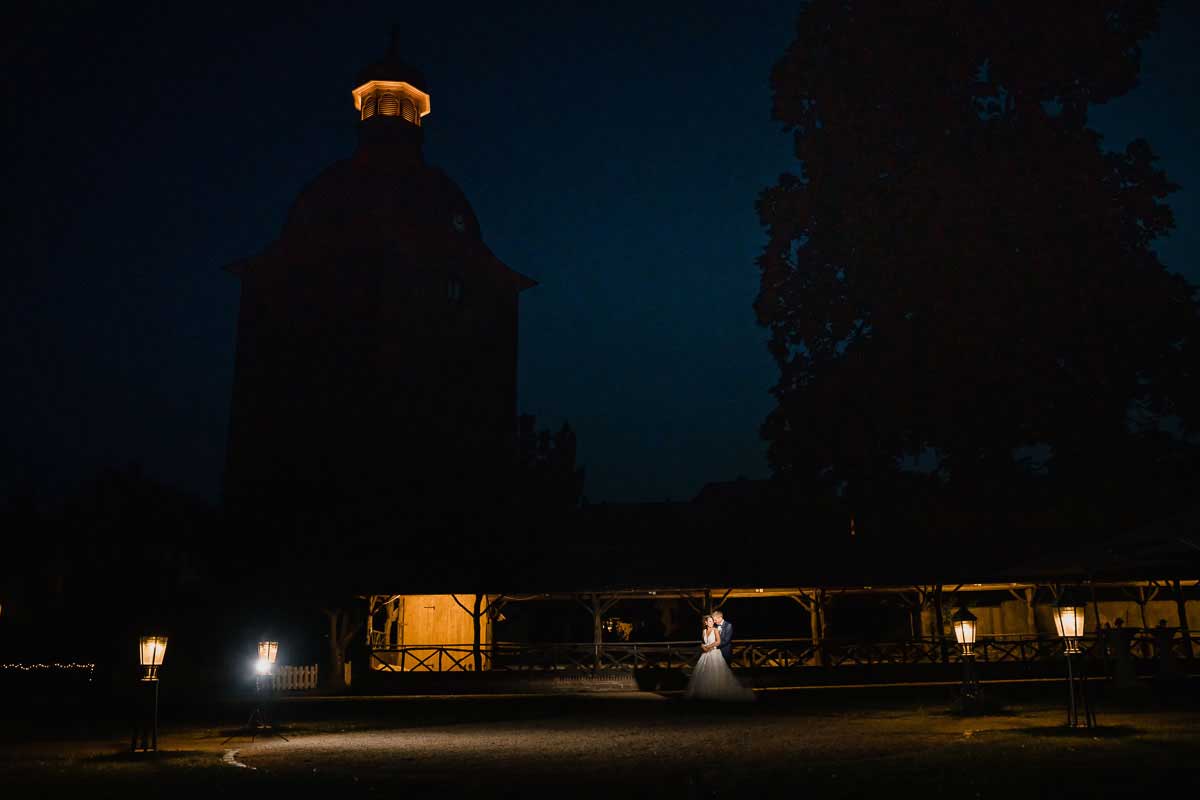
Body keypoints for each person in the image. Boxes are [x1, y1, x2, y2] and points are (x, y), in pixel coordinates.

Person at [684, 613, 754, 702]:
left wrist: (709, 647)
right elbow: (702, 642)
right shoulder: (704, 631)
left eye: (712, 621)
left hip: (714, 653)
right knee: (704, 673)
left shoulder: (715, 630)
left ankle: (716, 692)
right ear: (705, 622)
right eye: (709, 621)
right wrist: (703, 646)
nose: (712, 622)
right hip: (705, 655)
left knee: (716, 673)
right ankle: (705, 693)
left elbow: (718, 641)